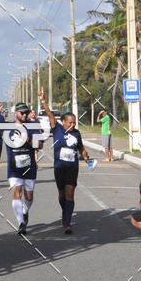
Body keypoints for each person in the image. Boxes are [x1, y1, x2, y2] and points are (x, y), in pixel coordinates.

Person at [39, 87, 92, 233]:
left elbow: (81, 148)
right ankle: (65, 212)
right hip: (59, 167)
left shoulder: (77, 133)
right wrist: (43, 100)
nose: (73, 125)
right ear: (63, 122)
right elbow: (50, 114)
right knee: (61, 195)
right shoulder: (57, 129)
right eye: (70, 122)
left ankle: (67, 222)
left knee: (70, 194)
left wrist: (85, 156)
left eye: (74, 122)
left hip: (72, 168)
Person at [5, 102, 39, 235]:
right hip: (14, 169)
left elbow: (40, 145)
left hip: (29, 167)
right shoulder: (7, 127)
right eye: (22, 112)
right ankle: (21, 223)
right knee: (16, 194)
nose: (25, 114)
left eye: (26, 112)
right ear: (16, 113)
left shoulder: (32, 127)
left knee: (29, 197)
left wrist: (28, 139)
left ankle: (25, 211)